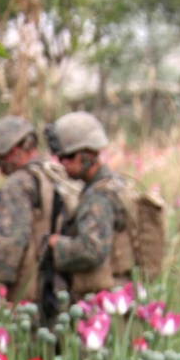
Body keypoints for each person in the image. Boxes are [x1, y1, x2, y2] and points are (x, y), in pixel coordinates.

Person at [45, 112, 133, 298]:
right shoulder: (113, 184)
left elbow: (91, 250)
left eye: (69, 156)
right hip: (117, 293)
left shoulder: (99, 197)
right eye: (60, 158)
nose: (64, 163)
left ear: (90, 154)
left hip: (106, 299)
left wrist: (55, 244)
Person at [0, 116, 62, 305]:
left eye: (1, 162)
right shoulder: (56, 172)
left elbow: (11, 241)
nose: (2, 171)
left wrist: (0, 284)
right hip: (62, 283)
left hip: (34, 290)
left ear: (13, 151)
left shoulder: (17, 185)